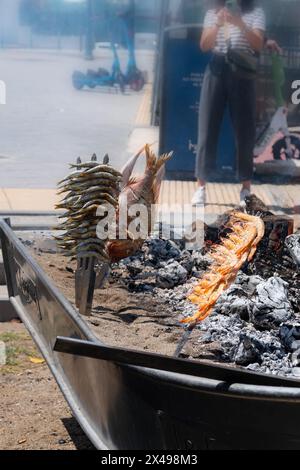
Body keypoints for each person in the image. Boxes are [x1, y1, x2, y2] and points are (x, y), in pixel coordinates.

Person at [192, 0, 266, 205]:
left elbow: (258, 44)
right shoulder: (213, 12)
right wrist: (217, 23)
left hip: (243, 72)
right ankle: (201, 187)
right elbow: (204, 45)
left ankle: (246, 189)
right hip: (216, 68)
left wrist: (240, 24)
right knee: (207, 127)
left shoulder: (256, 13)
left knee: (245, 131)